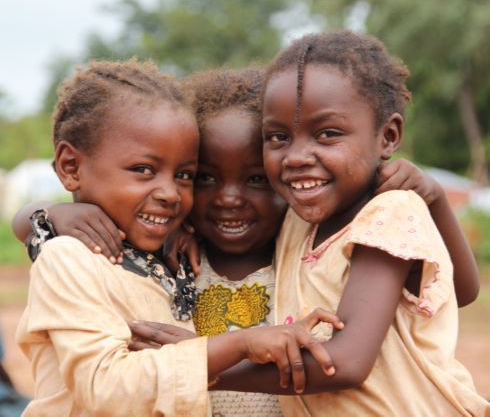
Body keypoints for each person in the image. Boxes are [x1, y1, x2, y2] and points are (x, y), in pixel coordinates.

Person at [14, 59, 342, 416]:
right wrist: (240, 344)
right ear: (71, 167)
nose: (170, 193)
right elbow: (104, 385)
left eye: (185, 175)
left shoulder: (175, 250)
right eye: (143, 170)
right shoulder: (70, 258)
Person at [248, 30, 487, 415]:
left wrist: (205, 364)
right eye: (277, 137)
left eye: (327, 134)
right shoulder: (295, 221)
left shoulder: (389, 212)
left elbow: (344, 363)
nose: (296, 156)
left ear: (388, 136)